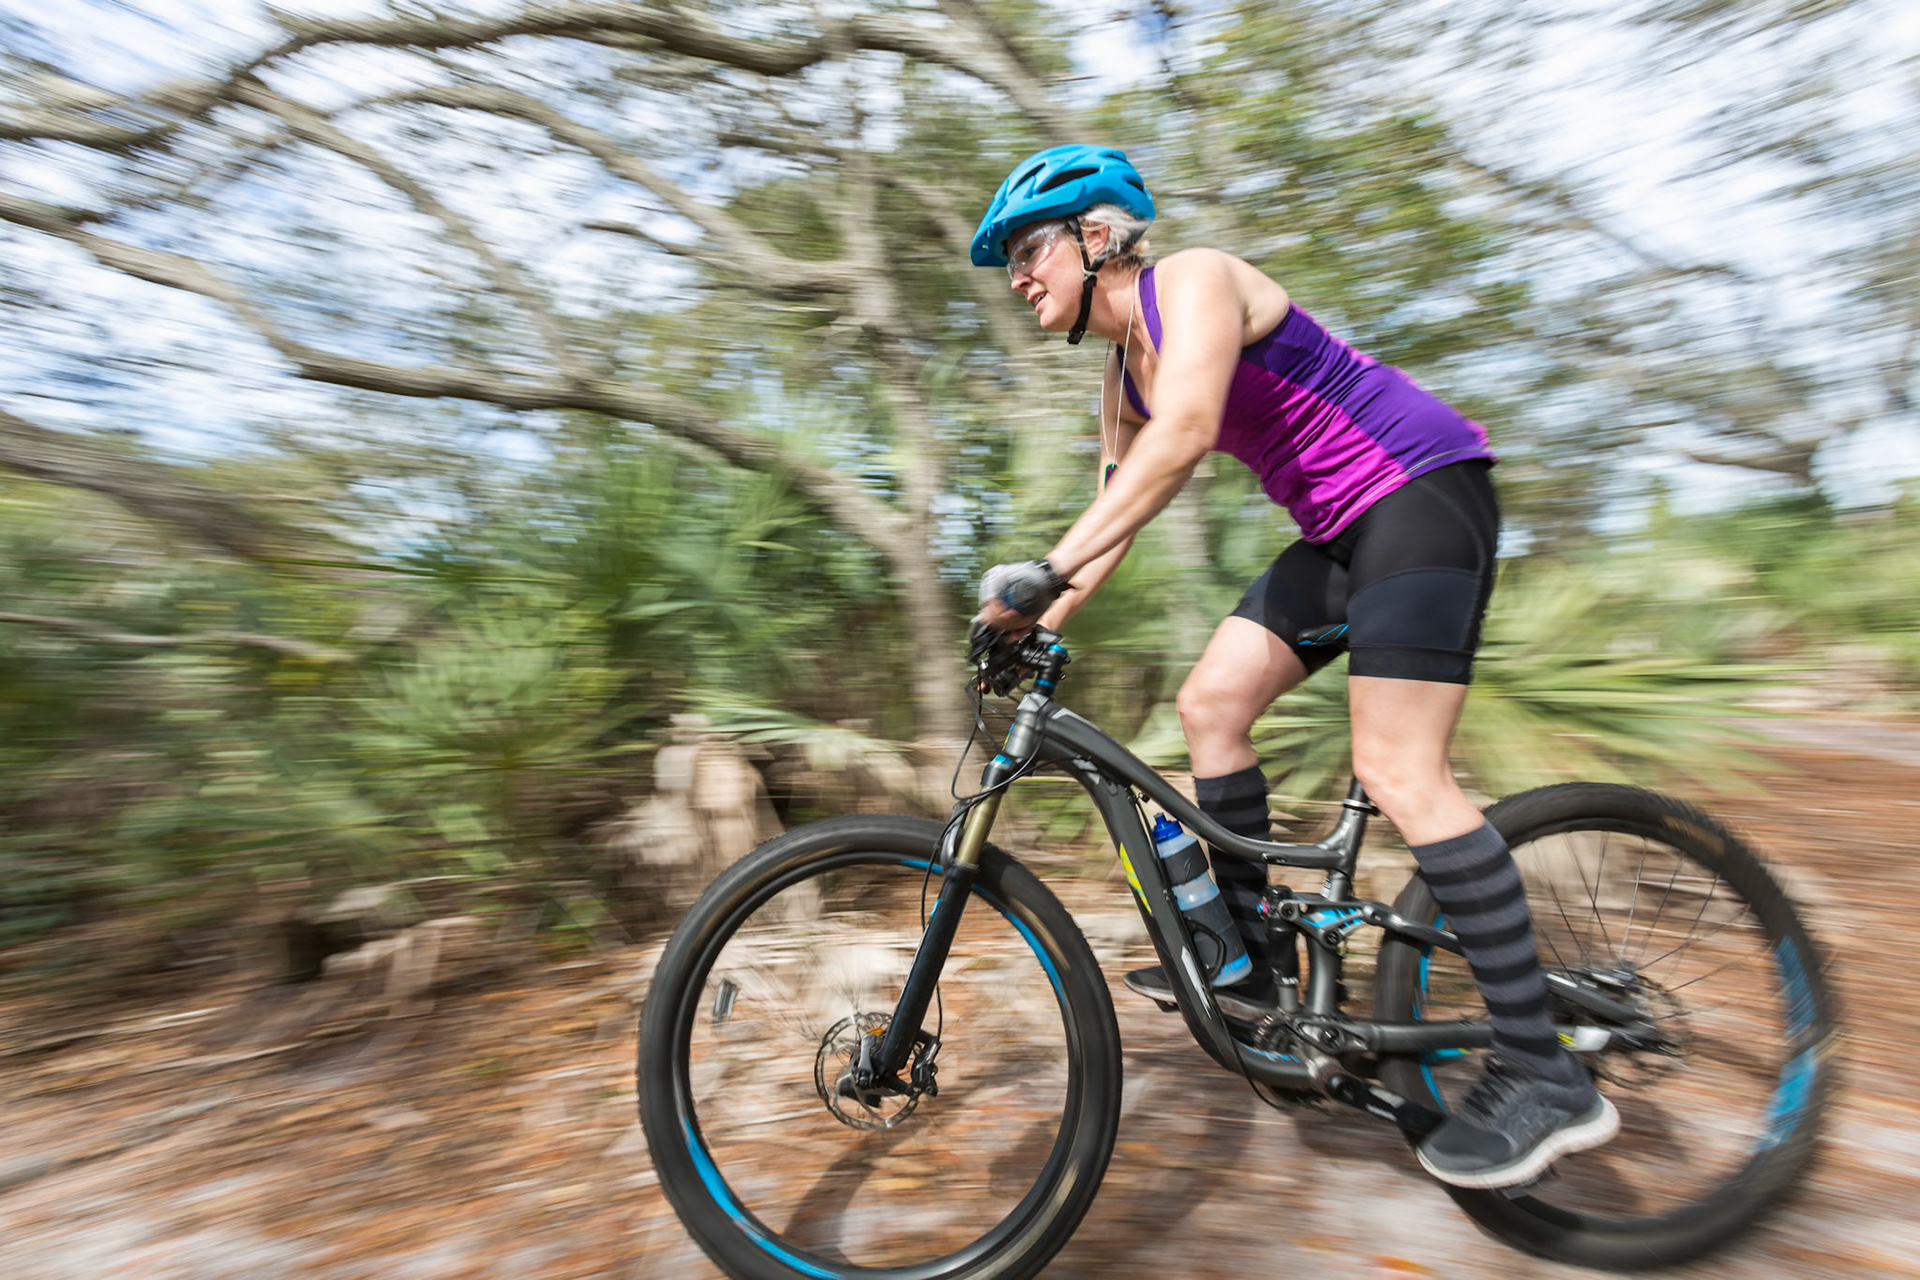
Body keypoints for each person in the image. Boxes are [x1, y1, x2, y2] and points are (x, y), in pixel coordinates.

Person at [967, 144, 1618, 1190]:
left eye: (1028, 247)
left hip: (1420, 493)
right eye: (1007, 259)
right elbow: (1113, 522)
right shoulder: (1116, 377)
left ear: (1098, 237)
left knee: (1402, 769)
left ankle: (1546, 1073)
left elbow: (1182, 438)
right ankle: (1260, 962)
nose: (1016, 274)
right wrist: (1028, 616)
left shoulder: (1194, 280)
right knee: (1210, 703)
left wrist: (1045, 569)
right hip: (1339, 536)